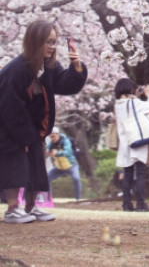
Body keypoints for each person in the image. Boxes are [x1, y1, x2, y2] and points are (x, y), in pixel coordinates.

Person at [0, 21, 87, 224]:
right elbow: (9, 105)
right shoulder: (16, 69)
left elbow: (65, 84)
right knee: (14, 163)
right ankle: (13, 208)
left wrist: (76, 67)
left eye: (53, 42)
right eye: (47, 42)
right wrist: (26, 134)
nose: (51, 46)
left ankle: (31, 206)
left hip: (33, 126)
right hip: (8, 125)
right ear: (34, 41)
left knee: (36, 163)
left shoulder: (48, 67)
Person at [114, 79, 149, 212]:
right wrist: (148, 95)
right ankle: (141, 204)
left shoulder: (117, 105)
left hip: (125, 143)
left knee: (127, 174)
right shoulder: (135, 103)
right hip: (138, 141)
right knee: (140, 173)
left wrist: (136, 97)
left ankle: (127, 204)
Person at [45, 128, 82, 201]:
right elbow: (47, 150)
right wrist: (47, 153)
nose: (52, 138)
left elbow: (67, 152)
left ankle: (78, 199)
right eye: (50, 137)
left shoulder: (65, 141)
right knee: (46, 179)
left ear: (58, 135)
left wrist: (57, 153)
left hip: (71, 166)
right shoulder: (51, 144)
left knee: (76, 179)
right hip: (59, 168)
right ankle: (48, 199)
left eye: (53, 136)